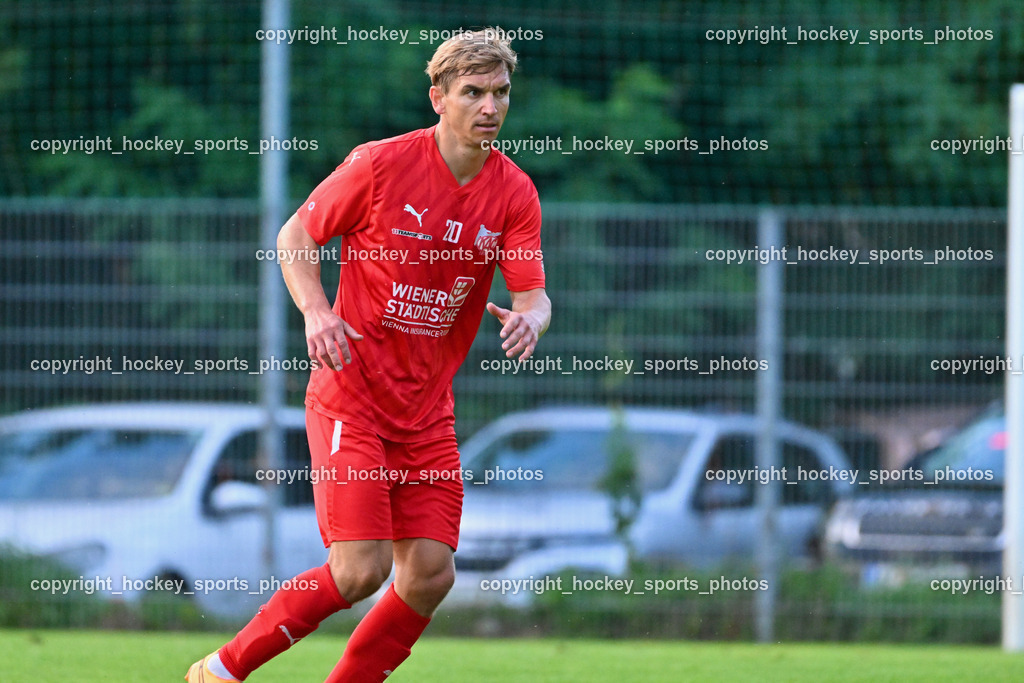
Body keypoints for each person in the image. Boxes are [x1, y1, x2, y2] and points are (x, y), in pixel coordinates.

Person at [187, 27, 550, 682]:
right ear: (437, 97)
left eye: (500, 92)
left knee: (432, 573)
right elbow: (296, 234)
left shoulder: (514, 193)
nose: (490, 107)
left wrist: (531, 319)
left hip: (426, 414)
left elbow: (534, 294)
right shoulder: (381, 164)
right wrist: (317, 310)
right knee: (360, 569)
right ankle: (220, 669)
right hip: (351, 396)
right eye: (473, 92)